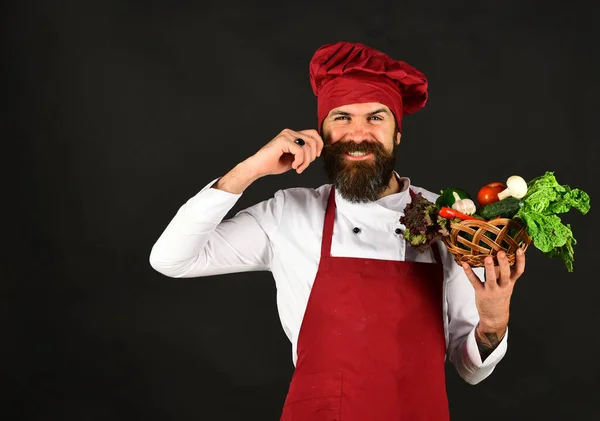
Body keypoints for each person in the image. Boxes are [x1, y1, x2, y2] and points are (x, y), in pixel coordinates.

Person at [149, 41, 526, 420]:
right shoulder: (289, 213)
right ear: (322, 134)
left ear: (398, 134)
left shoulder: (448, 219)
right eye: (341, 117)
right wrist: (251, 169)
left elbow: (470, 369)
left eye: (376, 118)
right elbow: (171, 258)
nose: (357, 133)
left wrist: (493, 323)